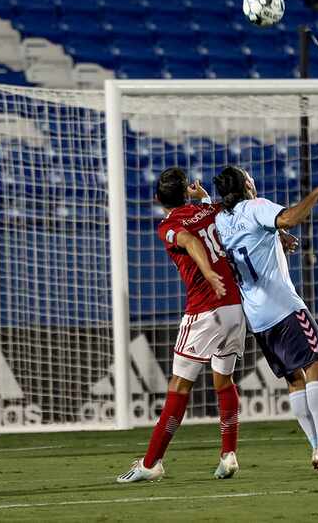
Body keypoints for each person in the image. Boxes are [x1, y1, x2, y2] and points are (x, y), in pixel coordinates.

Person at [212, 166, 318, 477]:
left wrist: (278, 239)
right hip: (284, 307)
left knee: (295, 380)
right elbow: (291, 217)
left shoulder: (221, 220)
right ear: (245, 185)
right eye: (248, 176)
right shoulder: (255, 207)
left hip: (257, 316)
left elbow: (251, 240)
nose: (253, 179)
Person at [117, 168, 245, 483]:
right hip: (235, 307)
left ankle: (151, 463)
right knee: (223, 381)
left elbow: (188, 239)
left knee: (179, 386)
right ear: (186, 192)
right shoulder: (208, 210)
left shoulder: (168, 226)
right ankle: (228, 454)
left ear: (157, 199)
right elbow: (227, 211)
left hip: (205, 311)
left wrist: (209, 273)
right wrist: (204, 198)